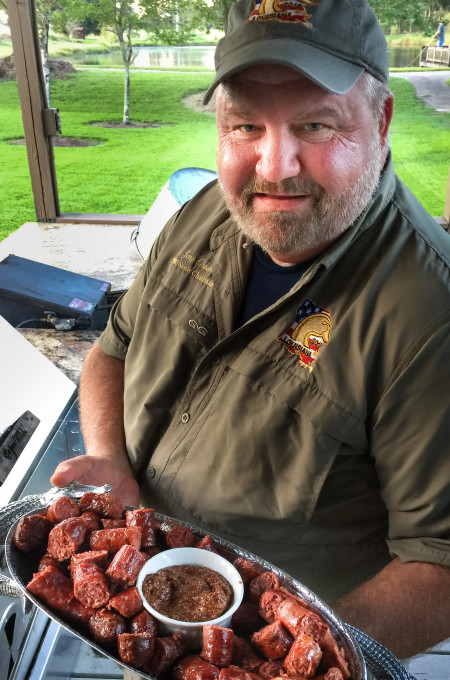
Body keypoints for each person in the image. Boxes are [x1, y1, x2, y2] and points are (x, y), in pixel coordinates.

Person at [51, 0, 450, 660]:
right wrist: (109, 462)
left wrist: (291, 664)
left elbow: (439, 565)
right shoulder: (207, 211)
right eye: (244, 126)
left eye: (316, 126)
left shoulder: (427, 315)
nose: (274, 166)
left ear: (380, 123)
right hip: (143, 625)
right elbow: (112, 350)